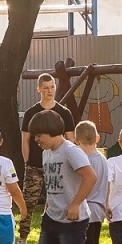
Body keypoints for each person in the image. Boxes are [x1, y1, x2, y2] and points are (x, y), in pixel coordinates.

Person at [29, 110, 96, 244]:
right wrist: (49, 206)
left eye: (39, 135)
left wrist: (75, 204)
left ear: (52, 131)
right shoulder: (47, 153)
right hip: (52, 217)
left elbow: (90, 177)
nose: (37, 140)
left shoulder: (71, 151)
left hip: (73, 220)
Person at [19, 73, 74, 217]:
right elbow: (25, 139)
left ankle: (51, 227)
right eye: (46, 88)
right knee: (28, 203)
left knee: (56, 201)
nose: (50, 91)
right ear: (39, 89)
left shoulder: (64, 112)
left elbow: (70, 139)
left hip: (57, 164)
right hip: (35, 164)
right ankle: (23, 231)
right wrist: (27, 162)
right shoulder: (31, 113)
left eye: (52, 87)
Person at [73, 120, 109, 244]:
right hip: (99, 208)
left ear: (76, 140)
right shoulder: (102, 158)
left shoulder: (83, 161)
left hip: (86, 209)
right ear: (97, 138)